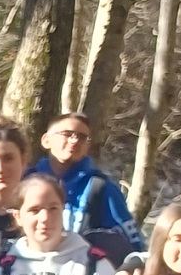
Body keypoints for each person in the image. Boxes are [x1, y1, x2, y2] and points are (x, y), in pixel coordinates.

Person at [32, 111, 140, 261]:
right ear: (46, 140)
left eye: (82, 137)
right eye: (67, 134)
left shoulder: (101, 188)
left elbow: (133, 246)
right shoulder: (25, 182)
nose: (74, 140)